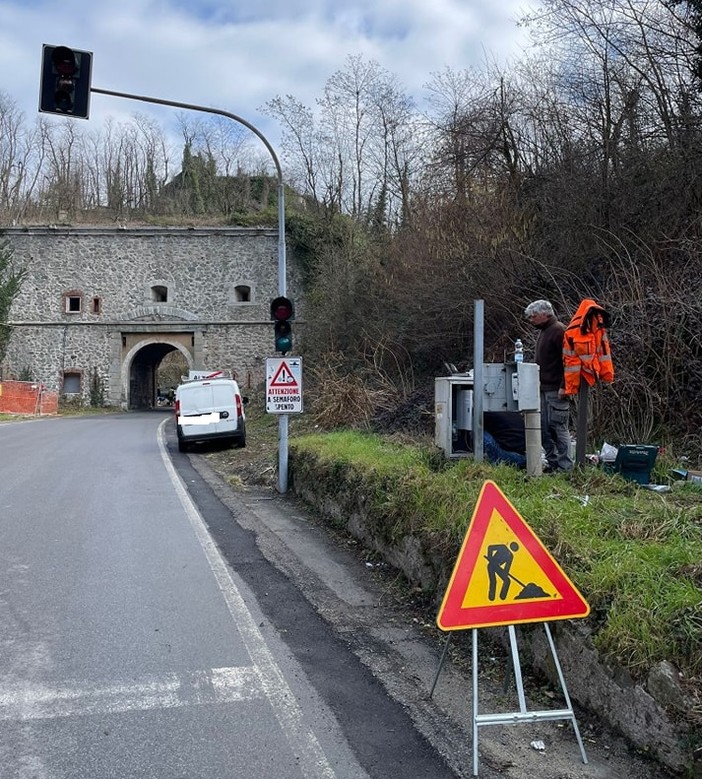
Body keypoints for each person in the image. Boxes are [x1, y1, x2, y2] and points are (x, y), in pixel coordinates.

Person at [524, 299, 573, 473]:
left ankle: (565, 466)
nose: (531, 320)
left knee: (558, 427)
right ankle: (553, 464)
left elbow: (569, 361)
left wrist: (564, 385)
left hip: (556, 389)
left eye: (534, 316)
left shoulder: (559, 331)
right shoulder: (545, 331)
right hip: (544, 389)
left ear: (545, 314)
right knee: (544, 428)